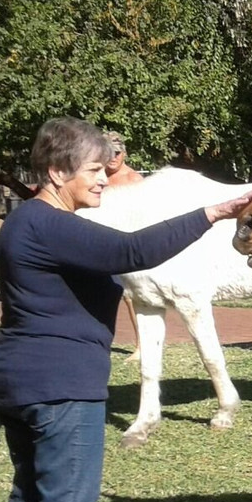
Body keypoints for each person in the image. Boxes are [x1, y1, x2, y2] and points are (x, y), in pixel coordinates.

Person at [0, 117, 252, 502]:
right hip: (60, 383)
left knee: (29, 499)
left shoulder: (24, 223)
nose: (106, 178)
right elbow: (132, 252)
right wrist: (213, 211)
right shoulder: (50, 224)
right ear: (58, 172)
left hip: (20, 377)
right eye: (93, 169)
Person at [103, 131, 147, 360]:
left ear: (125, 153)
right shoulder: (97, 177)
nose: (113, 158)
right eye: (108, 153)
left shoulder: (134, 180)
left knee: (132, 296)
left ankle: (142, 345)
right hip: (101, 243)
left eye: (117, 153)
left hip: (128, 244)